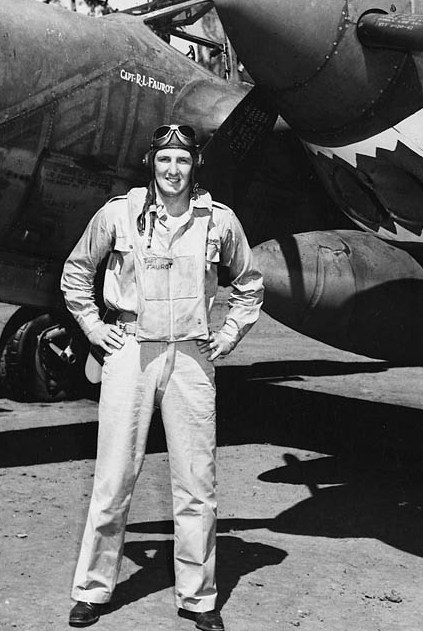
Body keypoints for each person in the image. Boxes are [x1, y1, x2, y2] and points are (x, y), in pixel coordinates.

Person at [60, 123, 264, 631]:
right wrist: (92, 327)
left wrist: (228, 334)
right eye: (164, 160)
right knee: (113, 477)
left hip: (191, 356)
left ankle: (198, 599)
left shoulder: (219, 222)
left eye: (183, 161)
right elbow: (76, 273)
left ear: (195, 166)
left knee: (197, 483)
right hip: (130, 351)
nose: (173, 170)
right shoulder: (118, 214)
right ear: (151, 163)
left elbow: (249, 284)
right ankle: (92, 590)